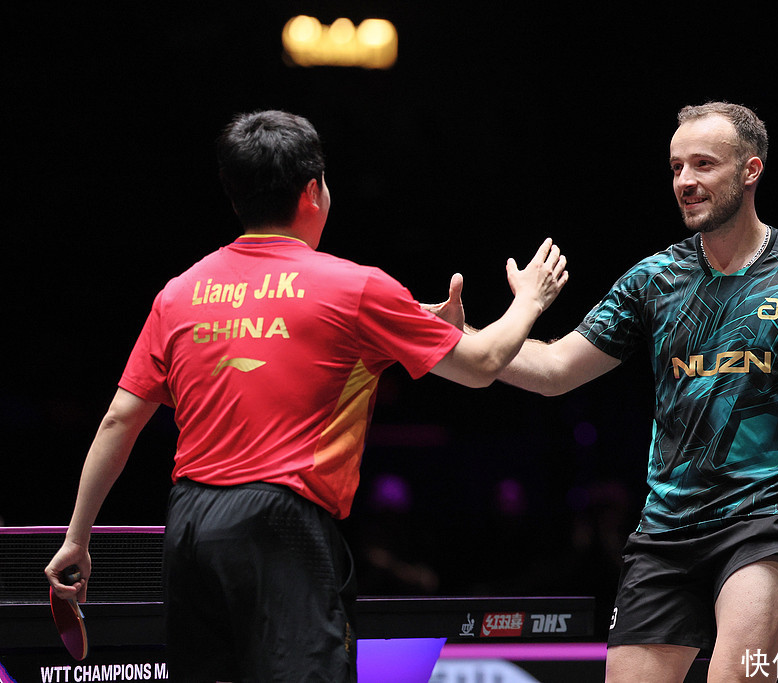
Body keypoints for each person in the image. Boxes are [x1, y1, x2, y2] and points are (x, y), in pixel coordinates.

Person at [43, 109, 568, 682]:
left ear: (234, 193)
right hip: (282, 523)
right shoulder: (356, 287)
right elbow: (483, 365)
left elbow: (119, 420)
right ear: (312, 191)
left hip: (189, 524)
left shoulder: (179, 292)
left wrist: (77, 539)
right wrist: (529, 300)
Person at [426, 101, 778, 681]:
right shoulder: (654, 280)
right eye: (676, 167)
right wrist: (460, 338)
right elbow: (555, 368)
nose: (685, 181)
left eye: (703, 164)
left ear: (750, 170)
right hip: (666, 529)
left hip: (767, 517)